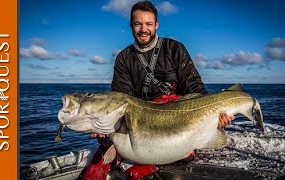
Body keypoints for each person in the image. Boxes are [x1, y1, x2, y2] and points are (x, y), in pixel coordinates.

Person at [83, 1, 234, 179]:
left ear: (156, 25)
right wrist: (106, 125)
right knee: (101, 164)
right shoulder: (124, 58)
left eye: (148, 24)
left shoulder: (175, 49)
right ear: (131, 25)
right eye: (138, 24)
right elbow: (121, 100)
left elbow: (194, 86)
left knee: (176, 154)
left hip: (178, 119)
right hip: (142, 123)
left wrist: (213, 116)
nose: (143, 29)